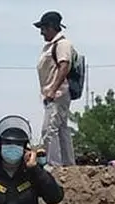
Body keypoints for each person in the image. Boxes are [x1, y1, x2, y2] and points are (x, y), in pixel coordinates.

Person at [35, 11, 76, 166]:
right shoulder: (52, 45)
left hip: (57, 93)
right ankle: (68, 164)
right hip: (54, 93)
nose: (41, 32)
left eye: (43, 28)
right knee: (61, 128)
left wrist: (52, 89)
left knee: (49, 129)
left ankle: (54, 165)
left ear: (52, 27)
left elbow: (64, 66)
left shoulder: (62, 44)